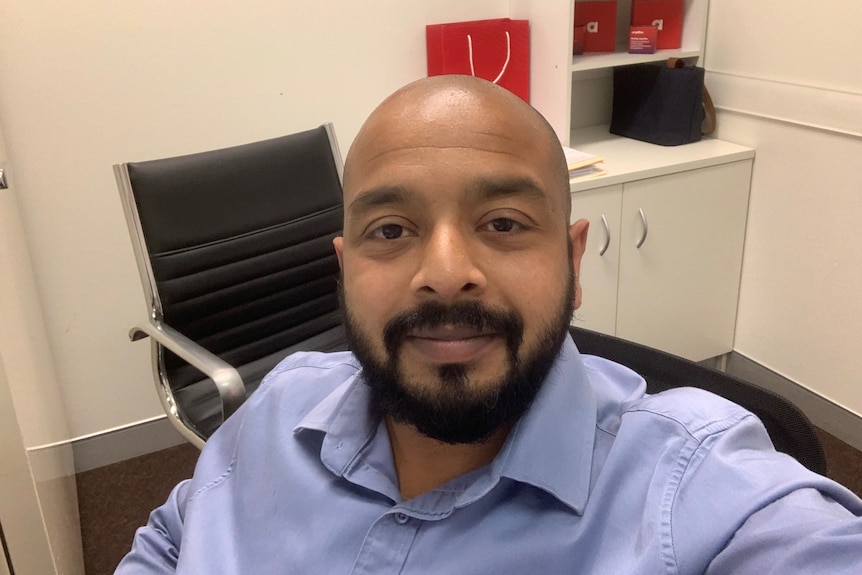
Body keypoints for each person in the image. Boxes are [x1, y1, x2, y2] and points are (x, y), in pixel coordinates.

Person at [115, 75, 862, 574]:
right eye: (390, 230)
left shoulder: (694, 493)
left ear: (573, 263)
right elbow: (175, 535)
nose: (444, 270)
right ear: (344, 271)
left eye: (503, 222)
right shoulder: (278, 405)